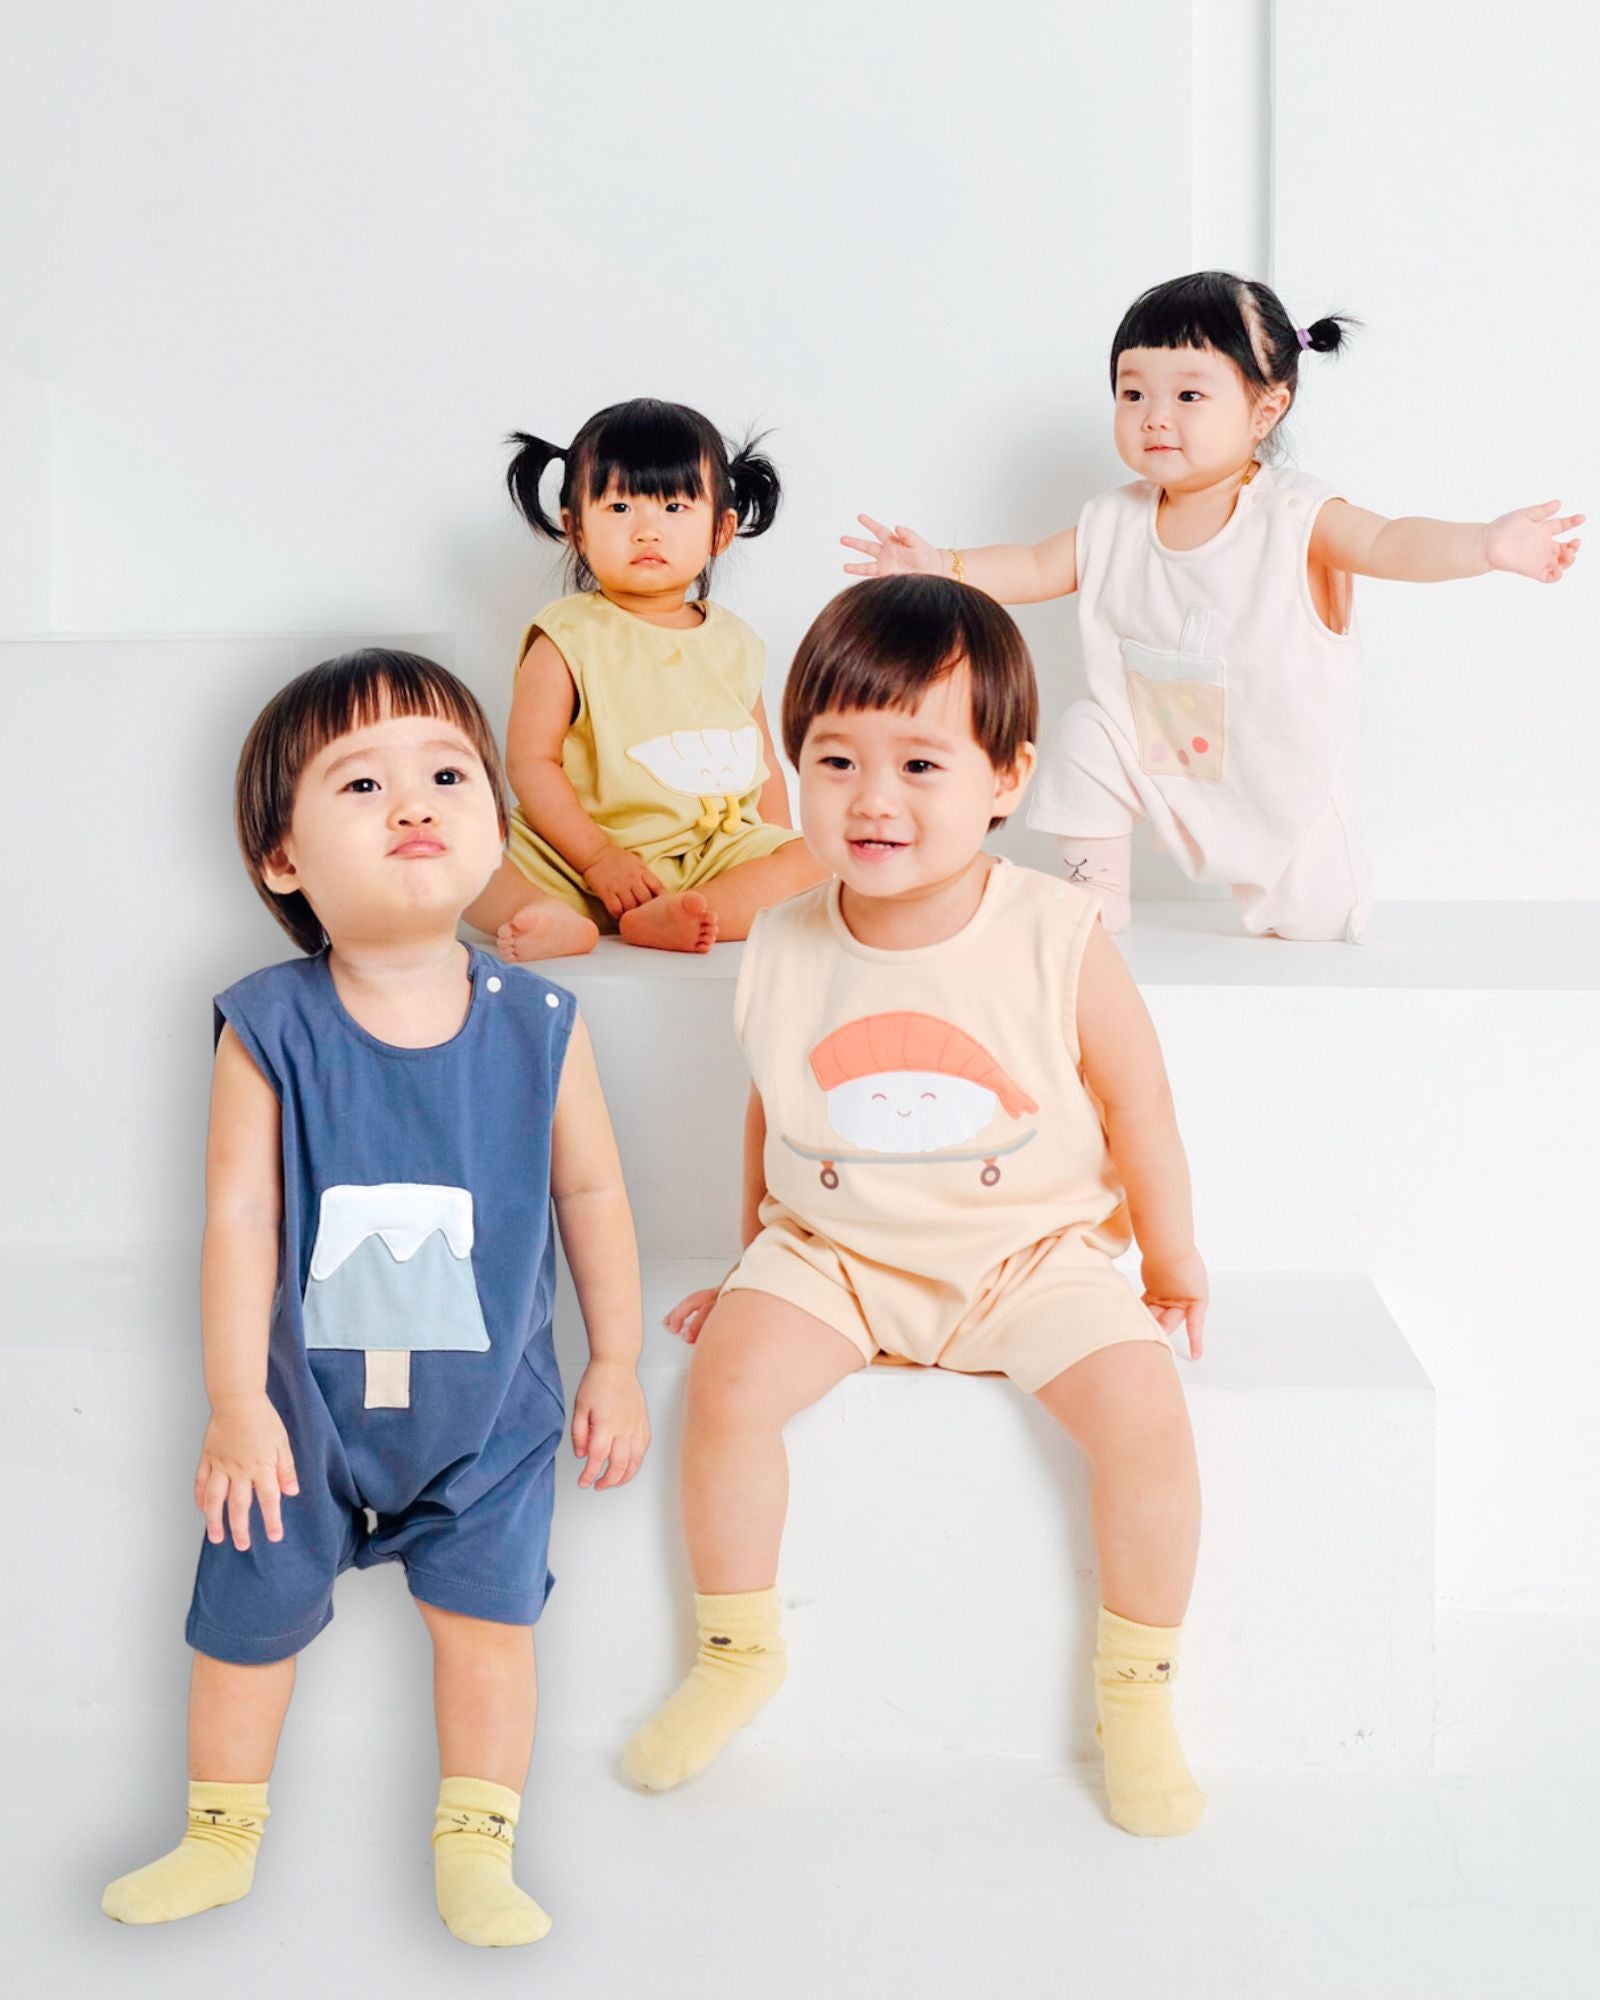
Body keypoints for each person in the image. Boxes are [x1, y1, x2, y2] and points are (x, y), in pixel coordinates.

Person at [623, 577, 1207, 1838]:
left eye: (919, 763)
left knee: (1147, 1419)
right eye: (835, 760)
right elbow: (775, 1105)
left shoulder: (1054, 930)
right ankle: (736, 1646)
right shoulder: (783, 936)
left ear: (1006, 778)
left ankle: (1137, 1686)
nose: (872, 798)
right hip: (836, 1255)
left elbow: (1138, 1100)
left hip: (1028, 1257)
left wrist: (1171, 1256)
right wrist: (752, 1260)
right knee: (728, 1384)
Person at [101, 650, 650, 1946]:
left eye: (447, 774)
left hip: (490, 1416)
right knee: (246, 1621)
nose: (412, 801)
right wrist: (237, 1402)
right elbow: (237, 1220)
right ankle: (217, 1834)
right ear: (281, 857)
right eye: (360, 783)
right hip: (299, 1416)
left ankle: (478, 1844)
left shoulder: (541, 1024)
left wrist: (615, 1359)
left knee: (488, 1625)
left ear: (496, 824)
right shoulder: (269, 1027)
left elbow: (592, 1195)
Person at [843, 270, 1583, 940]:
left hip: (1281, 781)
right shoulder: (1115, 519)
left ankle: (1316, 890)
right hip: (1159, 753)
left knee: (1316, 926)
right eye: (1133, 394)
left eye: (1189, 396)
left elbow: (1391, 542)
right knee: (1086, 736)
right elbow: (1036, 564)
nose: (1154, 417)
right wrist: (942, 566)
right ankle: (1092, 899)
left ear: (1266, 410)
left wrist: (1484, 544)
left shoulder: (1295, 516)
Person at [466, 397, 827, 958]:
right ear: (575, 528)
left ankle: (686, 913)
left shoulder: (735, 640)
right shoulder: (567, 635)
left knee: (821, 857)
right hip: (574, 859)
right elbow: (530, 763)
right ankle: (553, 917)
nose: (646, 531)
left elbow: (761, 761)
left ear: (721, 530)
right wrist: (598, 858)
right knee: (469, 860)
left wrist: (772, 847)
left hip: (710, 858)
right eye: (619, 507)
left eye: (675, 507)